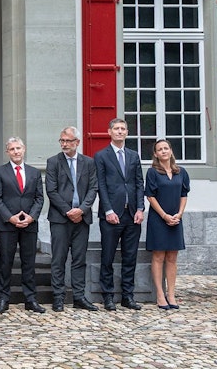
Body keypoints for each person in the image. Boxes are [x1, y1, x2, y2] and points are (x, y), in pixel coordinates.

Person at [44, 127, 99, 312]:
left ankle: (79, 296)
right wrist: (69, 211)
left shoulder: (89, 163)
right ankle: (58, 297)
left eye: (68, 141)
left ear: (77, 142)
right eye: (62, 141)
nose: (64, 144)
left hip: (81, 219)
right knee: (58, 259)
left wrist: (81, 210)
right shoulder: (53, 162)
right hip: (60, 218)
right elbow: (51, 190)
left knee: (79, 259)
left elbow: (93, 189)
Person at [94, 118, 145, 311]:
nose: (120, 132)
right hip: (111, 215)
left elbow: (139, 183)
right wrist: (108, 210)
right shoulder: (101, 156)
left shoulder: (133, 156)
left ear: (127, 132)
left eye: (123, 129)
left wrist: (140, 208)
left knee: (130, 257)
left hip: (132, 214)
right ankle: (108, 296)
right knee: (107, 257)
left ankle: (127, 296)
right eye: (116, 129)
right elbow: (101, 185)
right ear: (109, 132)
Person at [0, 137, 45, 314]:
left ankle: (30, 299)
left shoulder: (34, 172)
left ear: (24, 149)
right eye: (12, 149)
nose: (16, 152)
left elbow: (39, 198)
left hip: (29, 224)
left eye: (18, 148)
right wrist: (10, 217)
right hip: (7, 225)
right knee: (5, 262)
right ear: (7, 152)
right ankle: (3, 298)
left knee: (28, 263)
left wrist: (31, 217)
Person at [145, 138, 189, 310]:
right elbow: (150, 196)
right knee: (158, 256)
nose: (163, 151)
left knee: (172, 257)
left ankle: (171, 293)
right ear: (155, 154)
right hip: (158, 219)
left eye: (166, 148)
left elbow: (184, 194)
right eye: (160, 149)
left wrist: (179, 213)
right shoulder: (152, 172)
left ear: (171, 151)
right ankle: (160, 294)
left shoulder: (181, 172)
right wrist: (164, 215)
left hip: (176, 219)